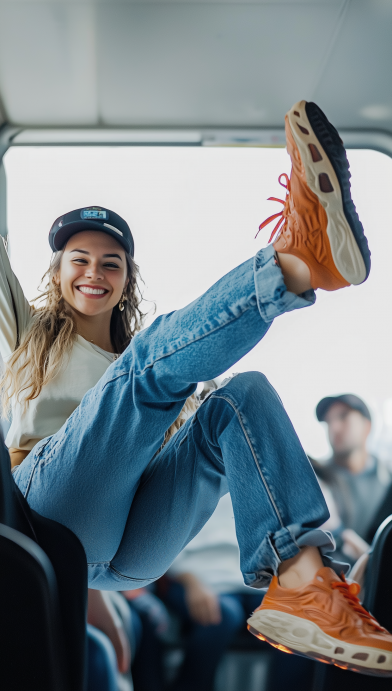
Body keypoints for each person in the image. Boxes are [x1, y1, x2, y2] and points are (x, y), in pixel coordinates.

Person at [1, 99, 391, 676]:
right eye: (79, 260)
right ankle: (296, 264)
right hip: (49, 510)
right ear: (56, 274)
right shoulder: (31, 330)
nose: (93, 272)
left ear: (126, 279)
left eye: (111, 263)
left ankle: (305, 584)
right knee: (142, 369)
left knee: (242, 395)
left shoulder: (160, 365)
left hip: (133, 547)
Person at [163, 491, 265, 691]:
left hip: (252, 582)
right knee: (221, 615)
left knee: (292, 619)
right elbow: (161, 542)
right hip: (196, 578)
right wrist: (191, 581)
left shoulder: (258, 484)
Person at [312, 394, 391, 564]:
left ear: (367, 426)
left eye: (343, 417)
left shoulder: (388, 480)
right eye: (328, 422)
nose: (334, 427)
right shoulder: (316, 479)